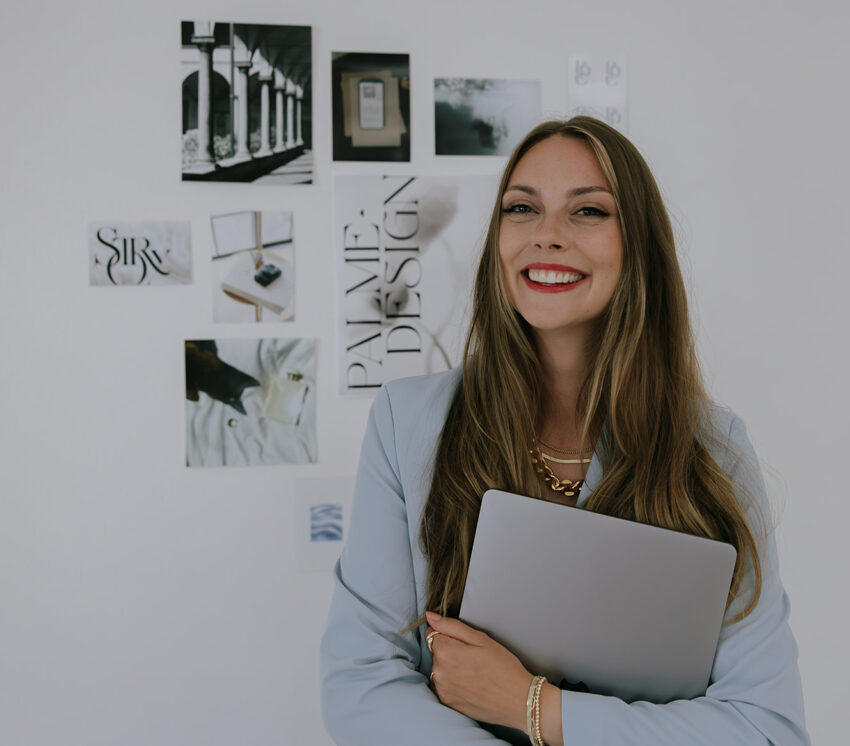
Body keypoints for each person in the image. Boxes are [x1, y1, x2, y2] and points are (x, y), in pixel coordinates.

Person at [320, 116, 809, 745]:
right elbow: (359, 686)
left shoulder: (713, 450)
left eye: (589, 213)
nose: (546, 236)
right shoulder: (406, 422)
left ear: (639, 246)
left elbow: (766, 730)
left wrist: (534, 707)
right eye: (522, 208)